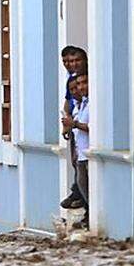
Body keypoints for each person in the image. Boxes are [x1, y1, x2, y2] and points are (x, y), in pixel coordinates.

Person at [59, 46, 87, 210]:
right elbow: (67, 101)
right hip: (74, 125)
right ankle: (77, 192)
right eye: (67, 61)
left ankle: (78, 194)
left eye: (76, 60)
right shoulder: (71, 79)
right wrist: (66, 122)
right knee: (76, 162)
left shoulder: (84, 79)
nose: (72, 64)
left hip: (80, 123)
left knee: (81, 165)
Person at [61, 73, 90, 227]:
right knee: (82, 185)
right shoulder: (81, 104)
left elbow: (93, 128)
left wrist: (74, 124)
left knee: (86, 188)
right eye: (77, 85)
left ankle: (89, 216)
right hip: (80, 153)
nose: (80, 88)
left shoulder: (91, 104)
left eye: (84, 83)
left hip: (88, 154)